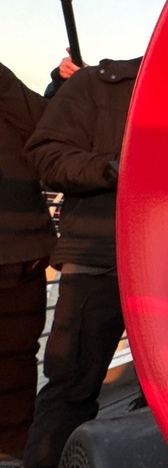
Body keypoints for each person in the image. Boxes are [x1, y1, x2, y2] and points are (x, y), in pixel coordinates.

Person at [22, 57, 141, 468]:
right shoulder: (96, 84)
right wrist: (113, 168)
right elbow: (46, 155)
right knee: (70, 388)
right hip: (98, 260)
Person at [0, 63, 58, 463]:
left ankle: (13, 445)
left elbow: (44, 127)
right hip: (19, 249)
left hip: (19, 252)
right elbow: (44, 129)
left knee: (16, 359)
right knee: (17, 359)